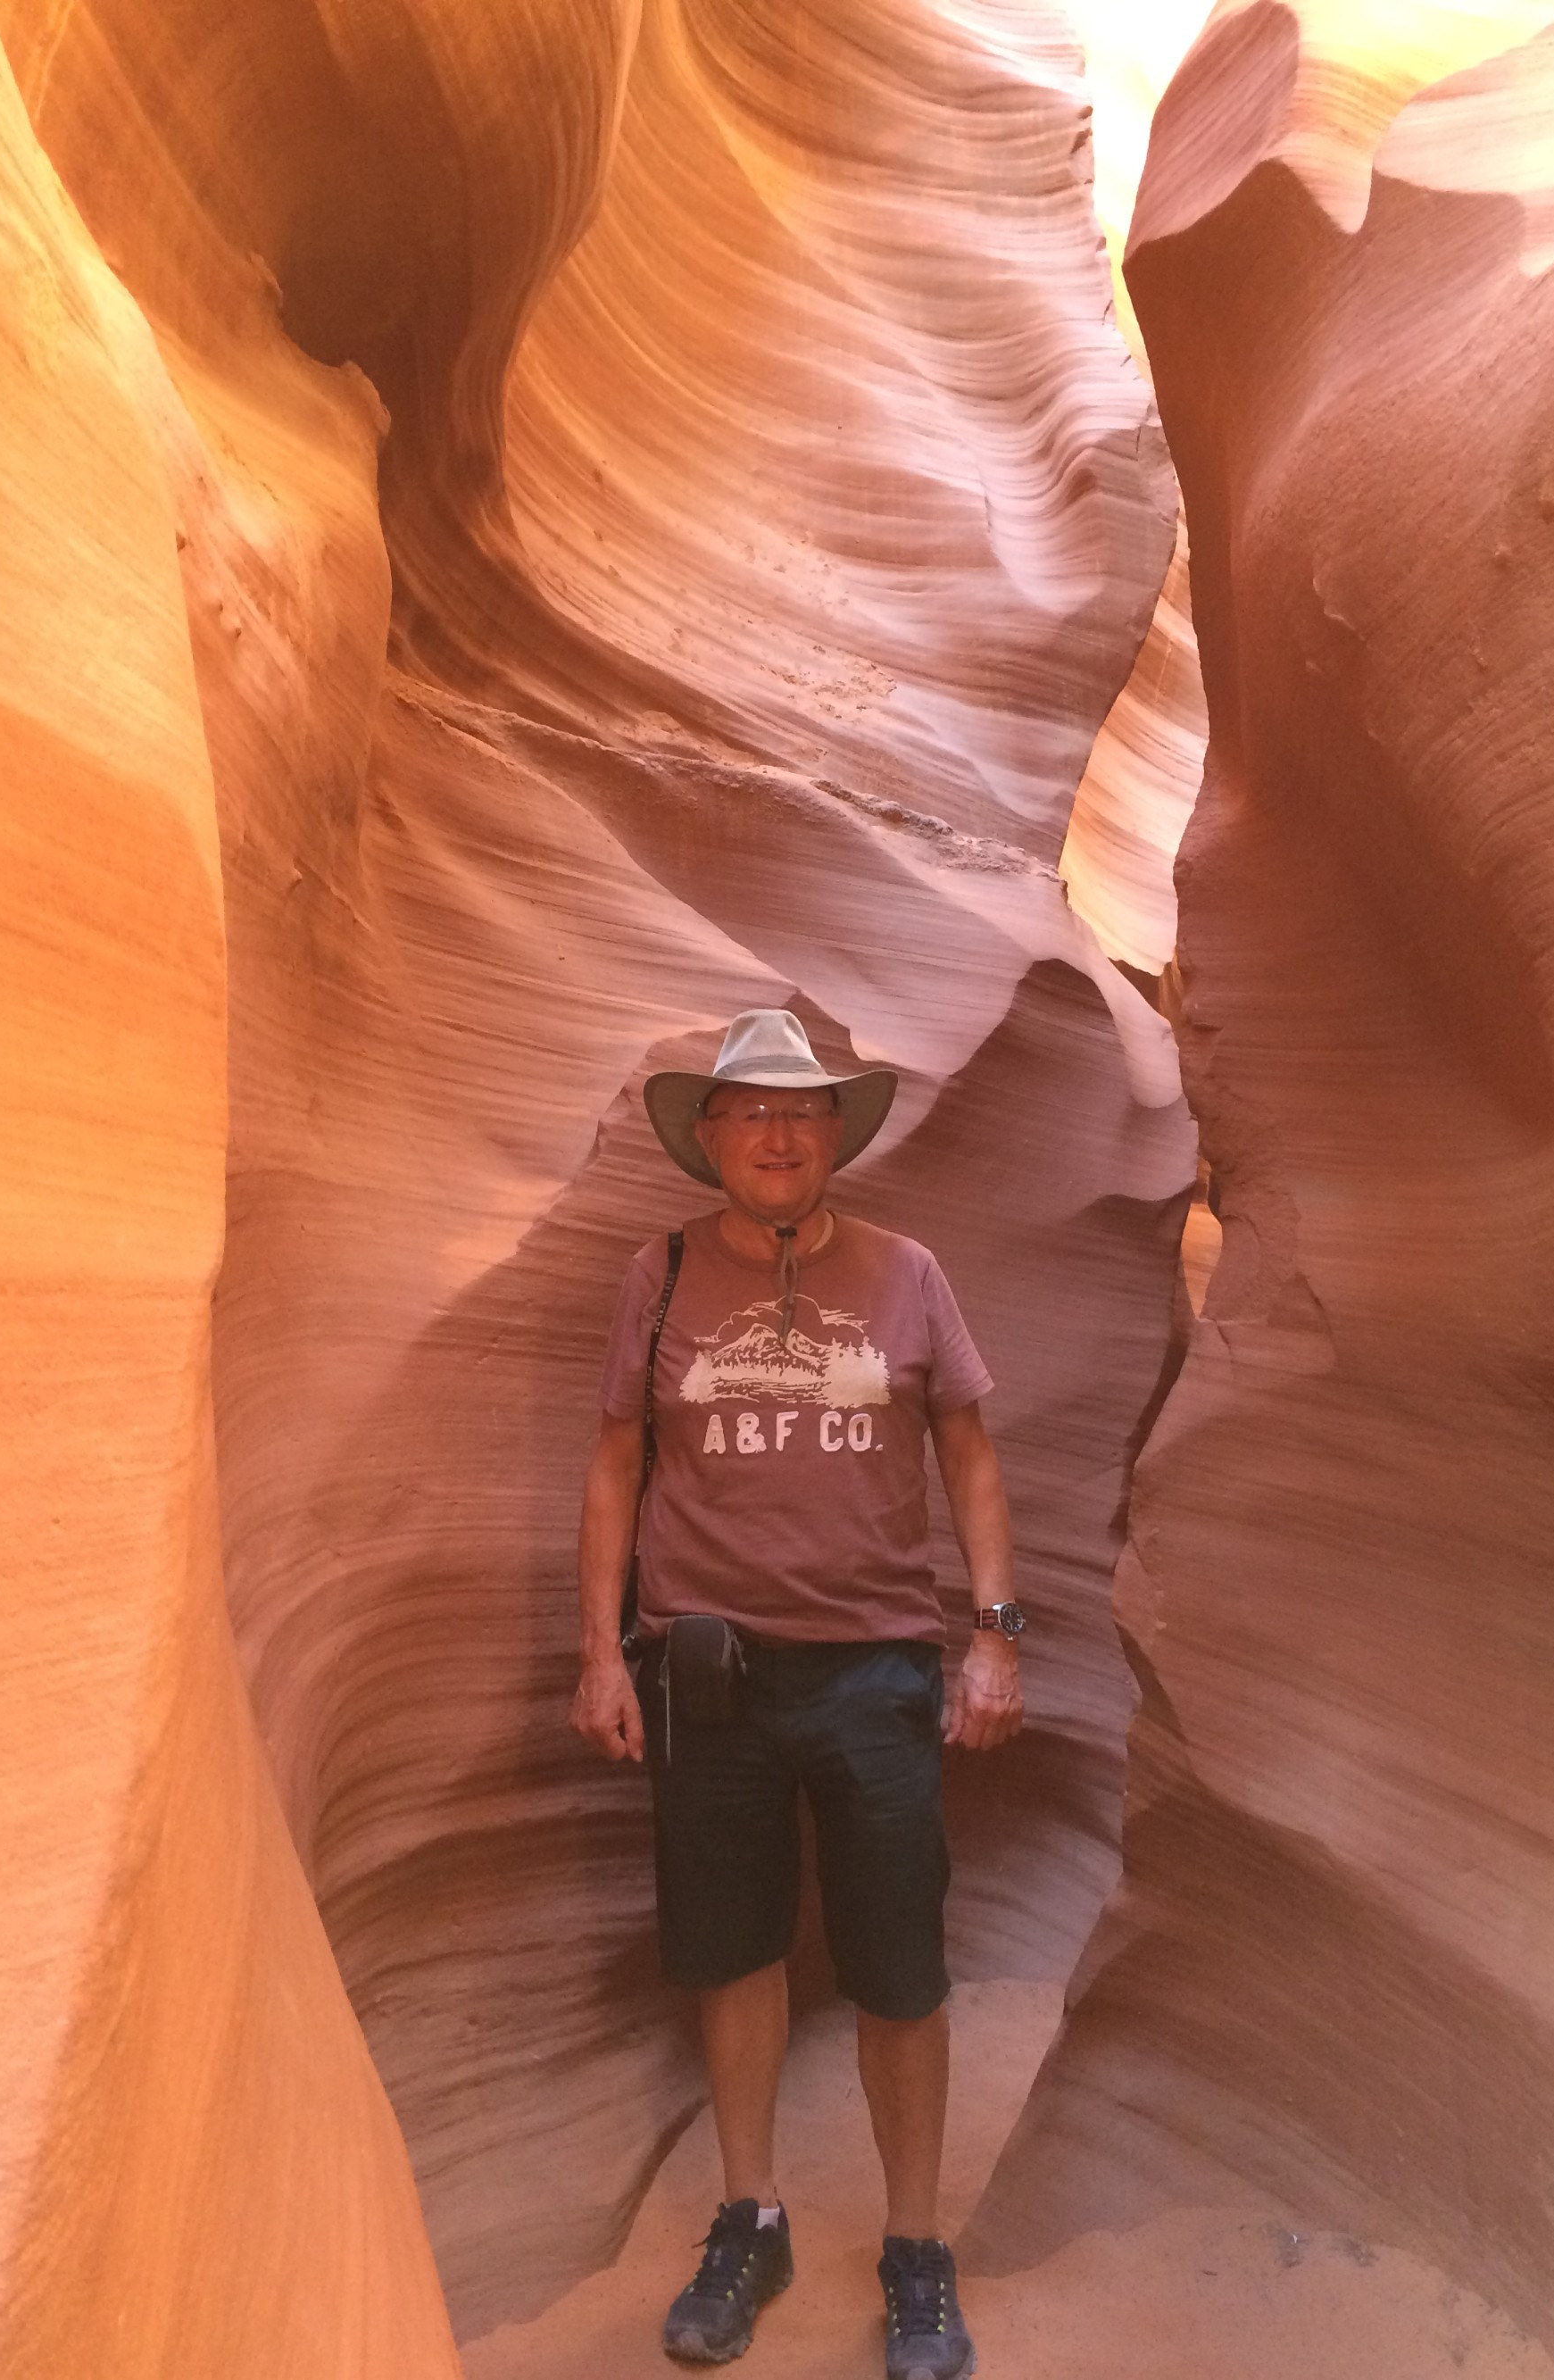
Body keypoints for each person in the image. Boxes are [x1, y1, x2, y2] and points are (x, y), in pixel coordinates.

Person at [571, 1009, 1026, 2377]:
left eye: (804, 1109)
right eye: (751, 1110)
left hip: (878, 1664)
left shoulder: (908, 1273)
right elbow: (612, 1467)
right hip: (707, 1672)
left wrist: (994, 1630)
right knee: (734, 1949)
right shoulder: (654, 1275)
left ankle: (912, 2244)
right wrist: (601, 1650)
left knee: (899, 1963)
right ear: (708, 1135)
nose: (778, 1132)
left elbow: (971, 1457)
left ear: (837, 1132)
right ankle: (752, 2214)